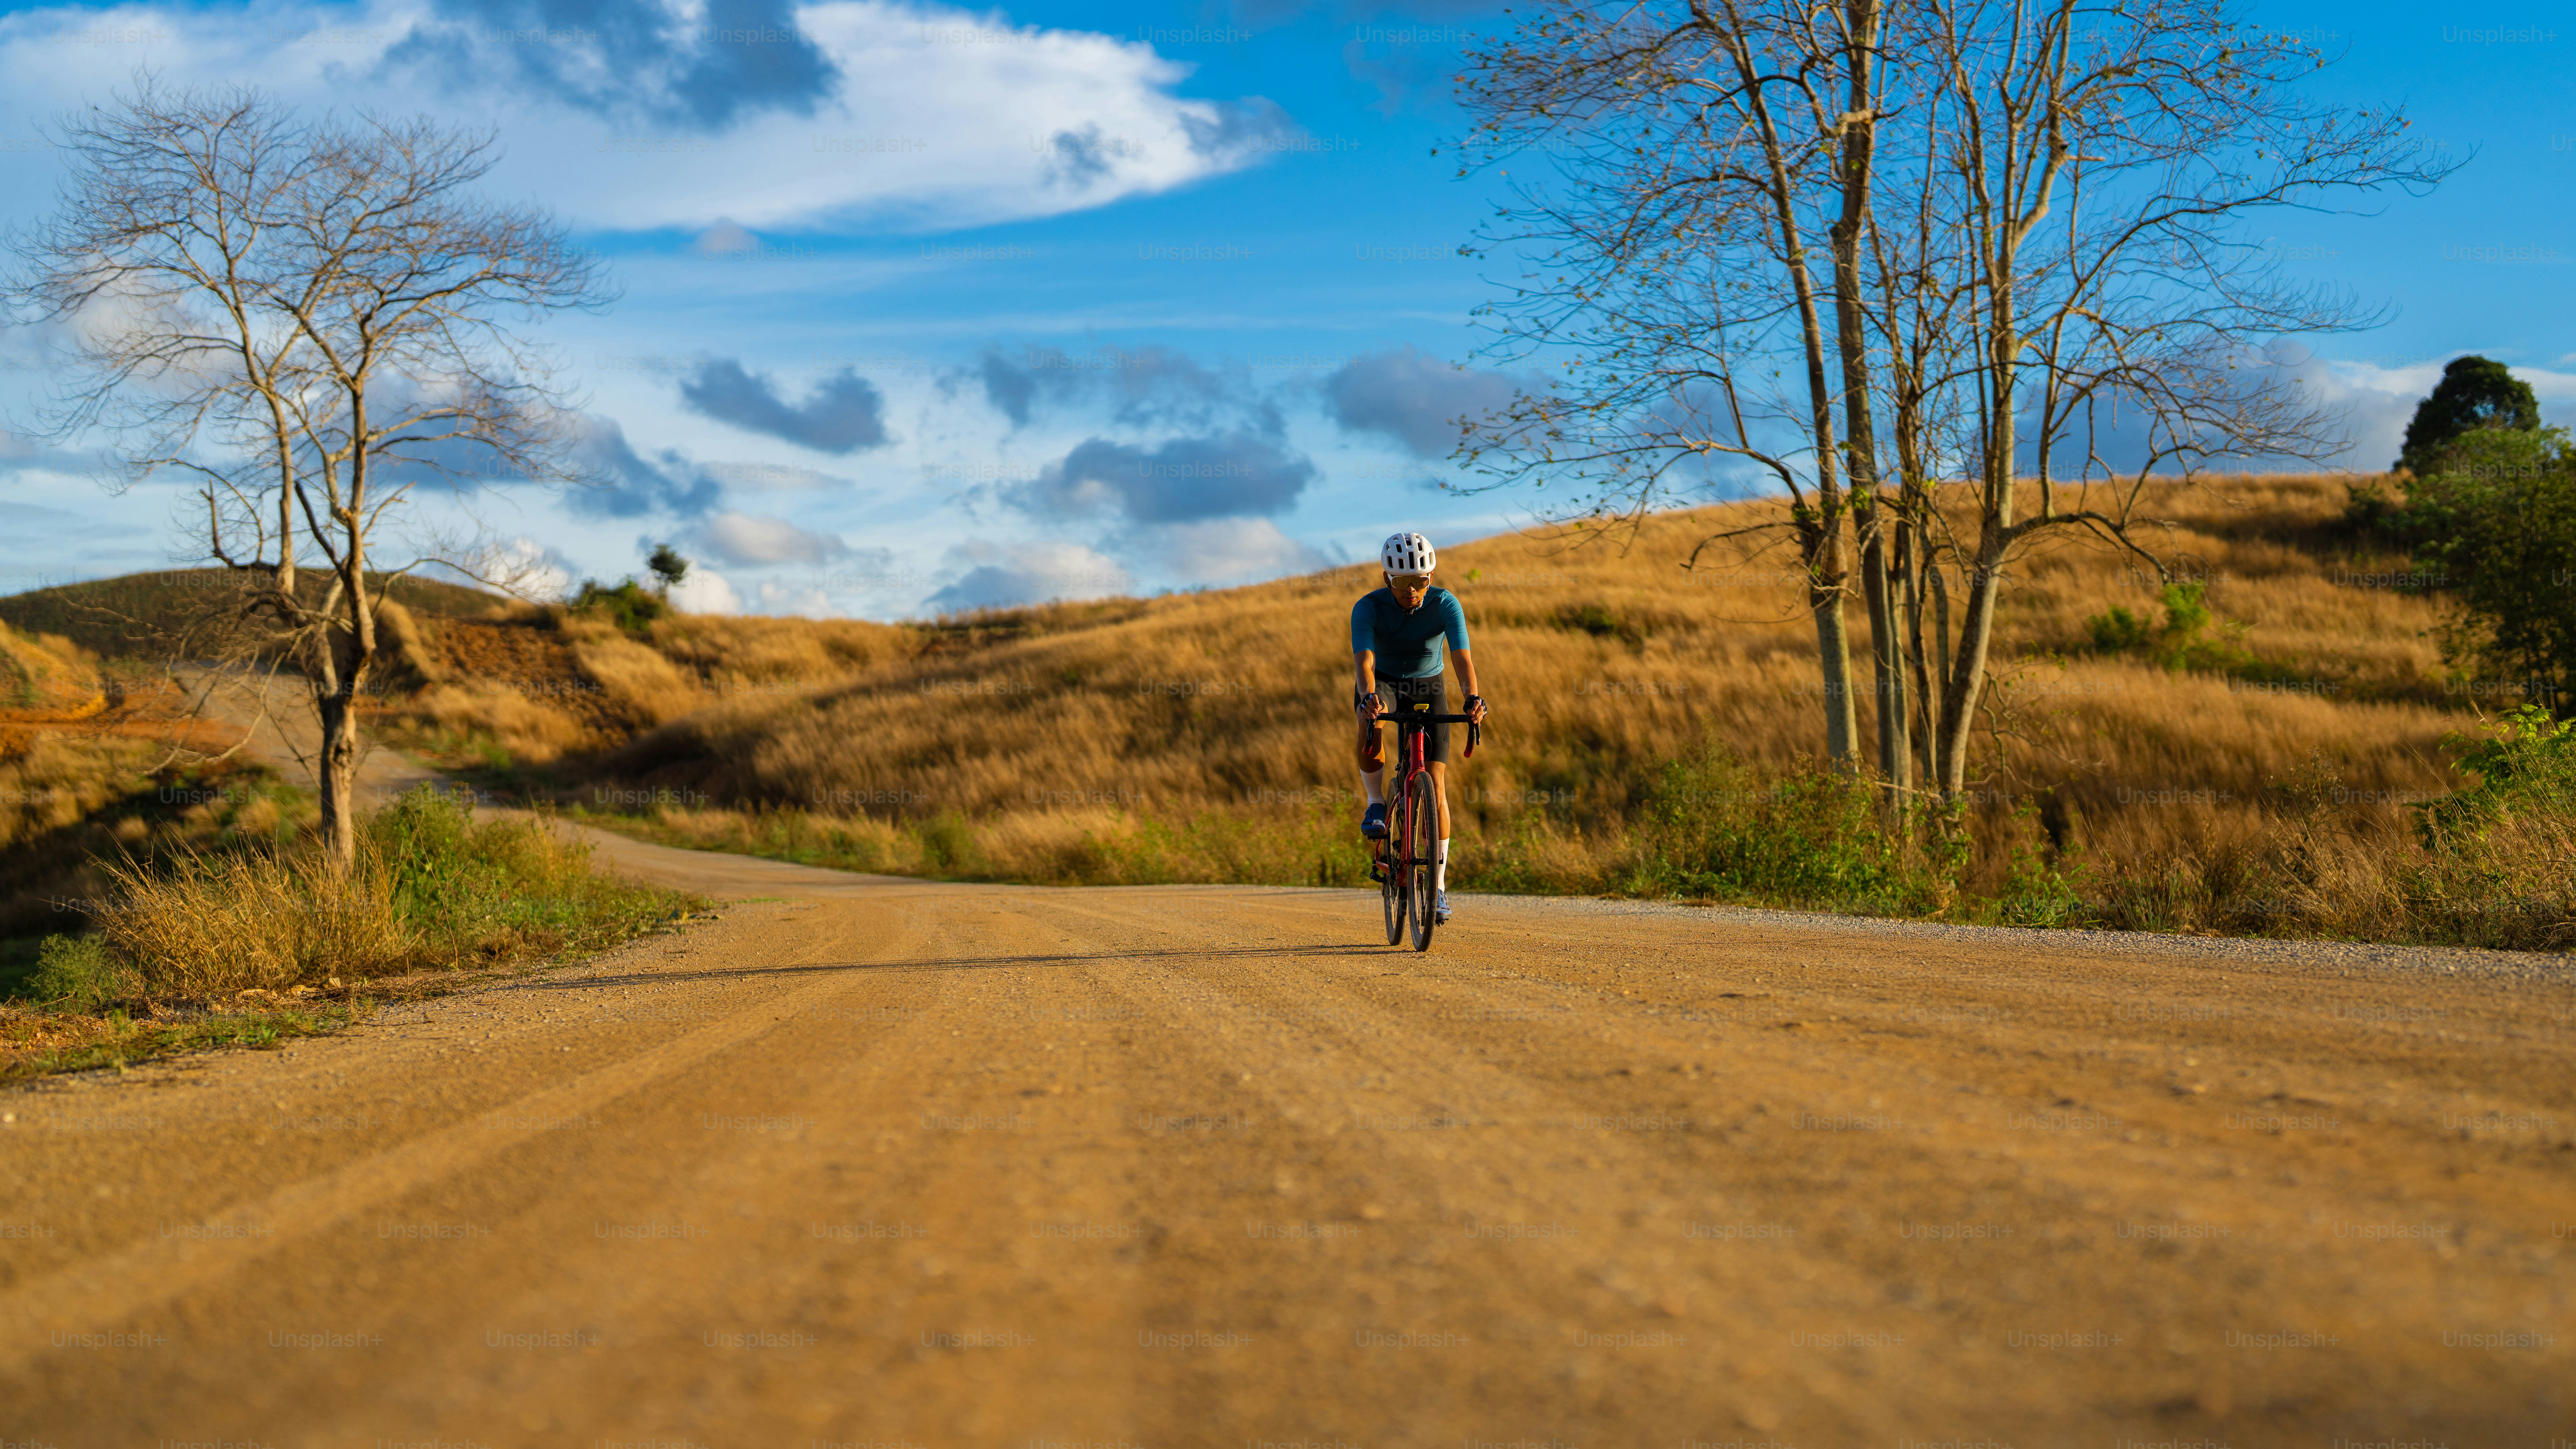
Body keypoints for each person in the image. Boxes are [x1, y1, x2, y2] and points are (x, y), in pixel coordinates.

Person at [1351, 531, 1487, 925]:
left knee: (1438, 785)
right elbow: (1364, 663)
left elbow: (1462, 657)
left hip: (1430, 685)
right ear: (1386, 579)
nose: (1412, 591)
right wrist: (1369, 697)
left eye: (1420, 581)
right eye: (1402, 582)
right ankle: (1377, 801)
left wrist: (1472, 699)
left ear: (1431, 577)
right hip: (1386, 684)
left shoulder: (1446, 604)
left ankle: (1439, 888)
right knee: (1369, 717)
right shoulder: (1368, 608)